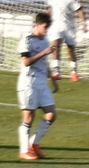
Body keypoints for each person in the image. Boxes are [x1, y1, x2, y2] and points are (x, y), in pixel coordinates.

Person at [16, 12, 58, 160]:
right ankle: (23, 150)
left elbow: (45, 63)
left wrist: (52, 78)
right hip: (28, 82)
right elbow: (26, 62)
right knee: (28, 117)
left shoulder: (45, 40)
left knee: (51, 115)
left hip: (42, 82)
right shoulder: (27, 40)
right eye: (45, 27)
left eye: (48, 27)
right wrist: (44, 52)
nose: (47, 30)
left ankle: (34, 143)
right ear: (38, 24)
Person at [45, 0, 85, 81]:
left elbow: (79, 10)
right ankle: (56, 72)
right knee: (56, 46)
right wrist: (44, 22)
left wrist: (84, 22)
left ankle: (74, 72)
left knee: (70, 49)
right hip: (56, 26)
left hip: (68, 27)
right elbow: (48, 11)